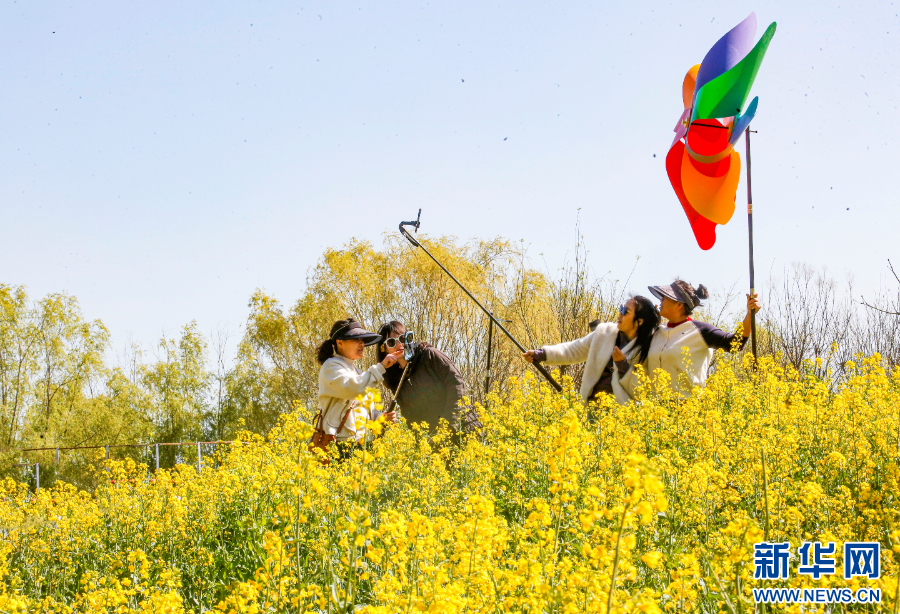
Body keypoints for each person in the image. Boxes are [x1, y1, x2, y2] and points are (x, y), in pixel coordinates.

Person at [522, 296, 660, 404]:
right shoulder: (604, 332)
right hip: (591, 408)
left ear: (640, 321)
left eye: (625, 311)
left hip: (622, 417)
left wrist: (623, 366)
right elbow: (575, 349)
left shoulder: (650, 346)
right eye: (621, 308)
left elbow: (644, 389)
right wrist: (542, 354)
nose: (620, 313)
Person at [645, 280, 761, 393]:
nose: (661, 300)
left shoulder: (701, 330)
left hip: (688, 408)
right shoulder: (657, 332)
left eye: (665, 297)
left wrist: (750, 314)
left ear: (679, 304)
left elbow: (735, 343)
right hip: (654, 408)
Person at [312, 318, 401, 455]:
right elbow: (354, 389)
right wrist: (381, 367)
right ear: (340, 343)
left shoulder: (357, 372)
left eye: (363, 340)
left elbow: (366, 411)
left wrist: (381, 417)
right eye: (356, 340)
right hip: (337, 444)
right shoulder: (331, 366)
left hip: (360, 444)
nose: (362, 344)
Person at [375, 321, 475, 434]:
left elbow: (456, 385)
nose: (399, 344)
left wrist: (448, 424)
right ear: (384, 349)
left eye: (402, 339)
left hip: (463, 428)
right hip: (433, 440)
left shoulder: (429, 355)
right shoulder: (394, 379)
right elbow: (409, 414)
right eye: (392, 342)